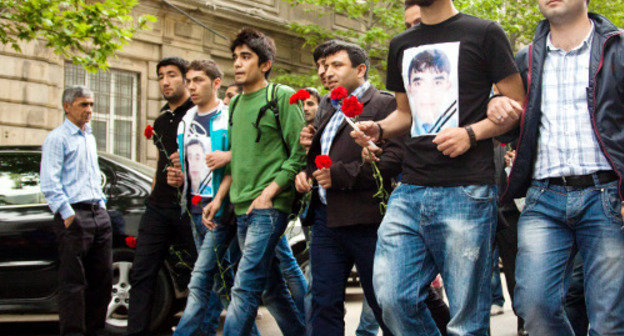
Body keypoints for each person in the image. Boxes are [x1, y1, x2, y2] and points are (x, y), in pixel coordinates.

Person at [351, 0, 525, 334]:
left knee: (467, 321)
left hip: (468, 190)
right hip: (411, 188)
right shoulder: (401, 44)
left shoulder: (485, 32)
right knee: (392, 299)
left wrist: (471, 134)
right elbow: (405, 113)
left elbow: (517, 104)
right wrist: (380, 128)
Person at [491, 0, 624, 335]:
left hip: (608, 196)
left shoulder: (617, 48)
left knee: (609, 320)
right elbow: (509, 124)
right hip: (544, 198)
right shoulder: (524, 59)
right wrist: (496, 104)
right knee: (534, 307)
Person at [295, 40, 402, 336]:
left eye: (335, 65)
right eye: (321, 66)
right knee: (323, 303)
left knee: (385, 303)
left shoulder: (385, 104)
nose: (325, 72)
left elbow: (395, 158)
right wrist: (306, 172)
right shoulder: (328, 105)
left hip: (367, 222)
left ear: (360, 69)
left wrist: (340, 176)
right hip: (326, 222)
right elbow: (322, 155)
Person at [223, 28, 306, 336]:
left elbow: (299, 155)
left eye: (246, 57)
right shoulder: (233, 104)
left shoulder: (281, 96)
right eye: (235, 57)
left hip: (268, 207)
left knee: (244, 288)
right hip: (242, 206)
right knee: (271, 290)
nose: (238, 64)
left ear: (265, 64)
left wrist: (269, 194)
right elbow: (239, 155)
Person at [166, 59, 241, 336]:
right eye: (189, 81)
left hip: (219, 211)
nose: (191, 87)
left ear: (216, 83)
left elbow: (239, 163)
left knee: (198, 281)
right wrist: (177, 176)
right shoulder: (185, 121)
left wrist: (220, 198)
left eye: (198, 80)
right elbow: (188, 168)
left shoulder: (228, 117)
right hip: (195, 209)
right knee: (222, 283)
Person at [127, 57, 195, 336]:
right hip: (158, 207)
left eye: (172, 75)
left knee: (197, 276)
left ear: (185, 79)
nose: (165, 81)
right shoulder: (161, 118)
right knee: (142, 272)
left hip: (190, 208)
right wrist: (153, 194)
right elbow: (159, 163)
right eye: (161, 76)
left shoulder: (196, 114)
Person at [40, 85, 112, 336]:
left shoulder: (89, 137)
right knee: (73, 283)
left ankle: (95, 330)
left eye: (91, 104)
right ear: (67, 106)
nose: (89, 110)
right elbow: (50, 183)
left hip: (98, 215)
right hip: (74, 215)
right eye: (83, 104)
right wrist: (68, 214)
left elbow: (92, 177)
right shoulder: (57, 138)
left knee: (101, 282)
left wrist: (102, 207)